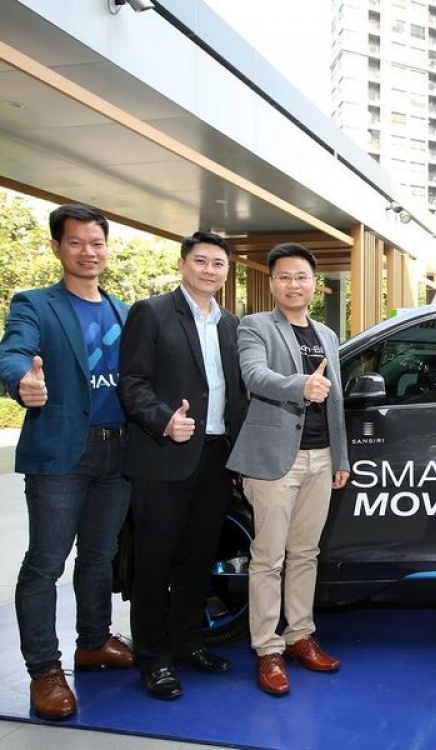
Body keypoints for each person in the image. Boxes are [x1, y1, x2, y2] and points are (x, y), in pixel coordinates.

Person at [0, 204, 134, 721]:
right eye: (76, 242)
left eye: (96, 242)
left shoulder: (124, 310)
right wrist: (22, 381)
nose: (88, 252)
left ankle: (94, 642)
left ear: (107, 247)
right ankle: (44, 670)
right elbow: (14, 353)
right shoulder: (35, 303)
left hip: (118, 452)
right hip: (62, 454)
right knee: (46, 563)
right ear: (57, 247)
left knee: (100, 557)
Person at [117, 231, 247, 700]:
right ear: (182, 263)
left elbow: (235, 393)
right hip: (163, 458)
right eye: (201, 261)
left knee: (197, 558)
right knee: (155, 561)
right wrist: (163, 420)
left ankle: (190, 642)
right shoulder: (151, 313)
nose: (210, 270)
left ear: (227, 271)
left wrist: (241, 454)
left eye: (218, 264)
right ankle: (154, 658)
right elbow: (132, 383)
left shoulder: (231, 324)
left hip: (215, 458)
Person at [226, 243, 350, 696]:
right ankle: (267, 648)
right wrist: (302, 385)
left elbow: (335, 401)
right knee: (268, 558)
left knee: (305, 554)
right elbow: (255, 376)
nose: (293, 284)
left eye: (301, 277)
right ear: (272, 282)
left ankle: (300, 635)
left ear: (315, 284)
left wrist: (340, 457)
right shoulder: (255, 326)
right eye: (284, 276)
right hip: (275, 460)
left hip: (320, 458)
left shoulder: (328, 334)